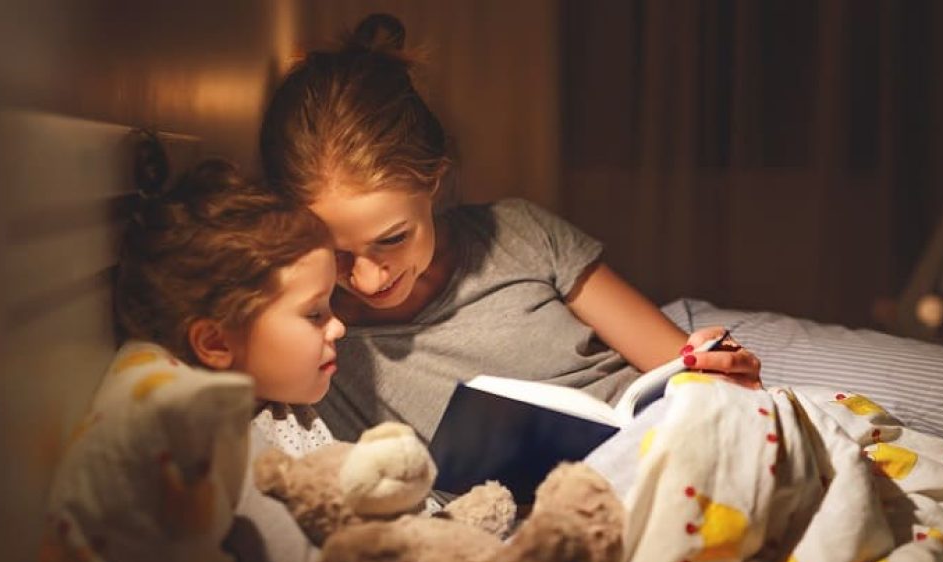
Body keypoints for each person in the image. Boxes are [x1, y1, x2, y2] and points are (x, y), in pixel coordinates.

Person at [258, 13, 761, 443]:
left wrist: (721, 371)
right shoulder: (311, 340)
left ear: (435, 180)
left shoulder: (520, 233)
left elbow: (678, 364)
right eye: (336, 252)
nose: (368, 280)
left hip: (662, 438)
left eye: (392, 239)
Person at [114, 158, 346, 454]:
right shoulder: (225, 453)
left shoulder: (278, 405)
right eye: (315, 314)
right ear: (216, 343)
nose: (339, 327)